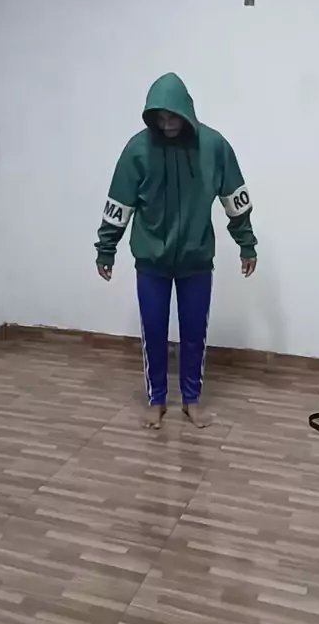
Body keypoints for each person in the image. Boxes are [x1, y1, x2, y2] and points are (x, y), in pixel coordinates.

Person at [95, 73, 257, 429]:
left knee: (194, 334)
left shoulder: (214, 147)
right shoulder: (137, 150)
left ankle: (191, 401)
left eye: (173, 117)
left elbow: (235, 200)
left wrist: (246, 243)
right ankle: (156, 400)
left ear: (186, 112)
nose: (166, 124)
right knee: (153, 333)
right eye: (160, 118)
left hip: (196, 260)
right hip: (150, 262)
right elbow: (118, 204)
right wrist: (106, 248)